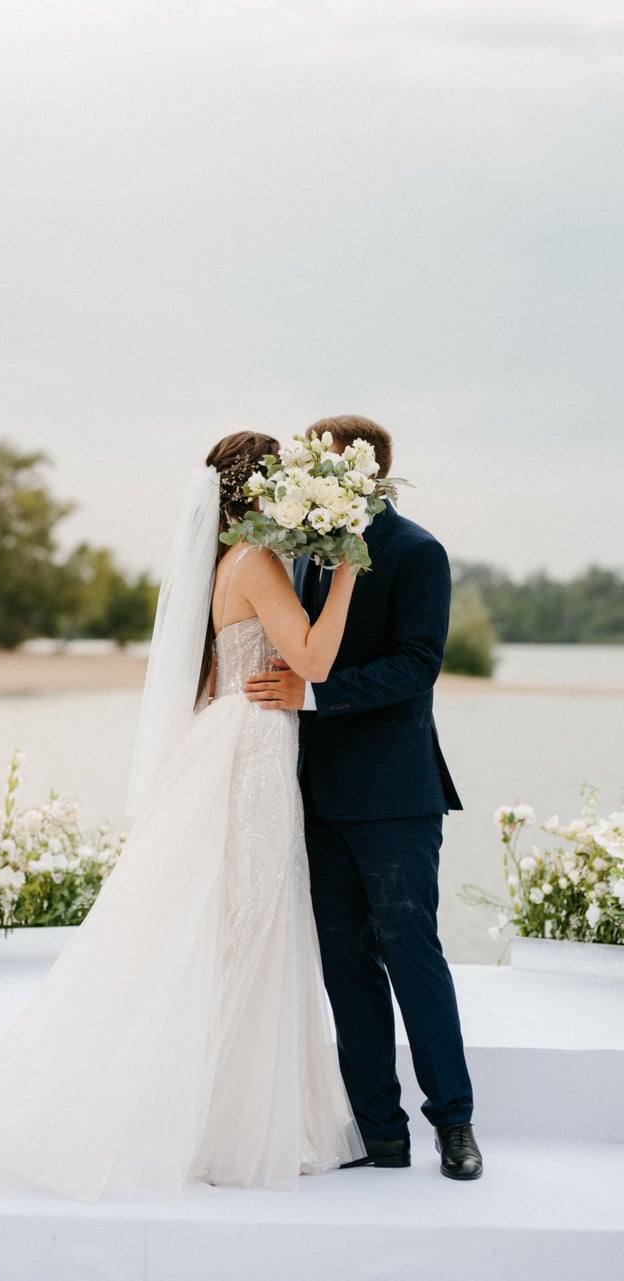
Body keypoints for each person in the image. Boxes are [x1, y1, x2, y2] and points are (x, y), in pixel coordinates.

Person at [0, 432, 365, 1201]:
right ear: (264, 491)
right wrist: (349, 561)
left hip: (236, 739)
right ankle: (226, 1126)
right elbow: (315, 660)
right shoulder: (255, 561)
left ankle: (241, 1112)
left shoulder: (231, 562)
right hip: (249, 755)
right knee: (248, 927)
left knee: (239, 924)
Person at [244, 414, 483, 1181]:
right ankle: (380, 1133)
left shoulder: (418, 551)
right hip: (314, 797)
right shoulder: (304, 562)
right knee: (344, 966)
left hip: (394, 797)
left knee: (414, 958)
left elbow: (419, 664)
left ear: (364, 473)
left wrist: (312, 697)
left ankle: (454, 1124)